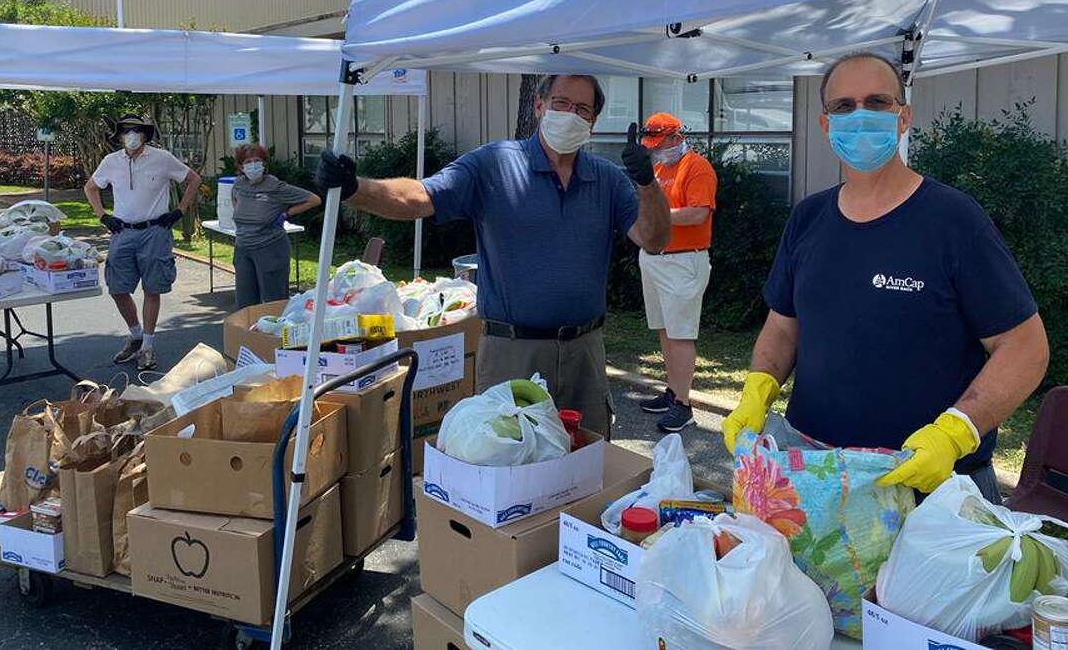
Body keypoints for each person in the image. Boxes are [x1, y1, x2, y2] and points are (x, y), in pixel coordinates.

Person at [721, 53, 1049, 503]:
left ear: (903, 116)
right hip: (816, 478)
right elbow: (782, 326)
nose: (860, 117)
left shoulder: (954, 220)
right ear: (824, 124)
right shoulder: (808, 218)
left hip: (931, 485)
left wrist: (955, 432)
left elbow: (1025, 348)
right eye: (843, 106)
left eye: (877, 102)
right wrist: (757, 392)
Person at [316, 73, 672, 436]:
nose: (570, 114)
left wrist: (647, 183)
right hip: (512, 352)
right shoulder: (496, 164)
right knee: (508, 464)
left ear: (593, 122)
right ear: (539, 106)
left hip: (585, 354)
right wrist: (355, 189)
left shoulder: (607, 179)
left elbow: (654, 238)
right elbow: (420, 197)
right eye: (561, 103)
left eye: (582, 108)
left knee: (590, 464)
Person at [84, 113, 201, 371]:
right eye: (125, 131)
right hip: (122, 230)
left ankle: (148, 345)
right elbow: (91, 187)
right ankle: (135, 334)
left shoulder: (162, 158)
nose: (131, 135)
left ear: (145, 134)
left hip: (155, 229)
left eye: (136, 130)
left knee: (152, 287)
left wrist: (180, 210)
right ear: (120, 136)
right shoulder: (111, 161)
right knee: (117, 286)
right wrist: (103, 216)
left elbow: (193, 179)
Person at [636, 112, 717, 434]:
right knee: (665, 331)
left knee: (681, 334)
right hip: (656, 258)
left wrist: (658, 216)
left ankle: (683, 405)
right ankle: (673, 392)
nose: (656, 149)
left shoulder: (697, 167)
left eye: (659, 142)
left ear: (675, 137)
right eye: (651, 144)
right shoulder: (657, 167)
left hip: (684, 261)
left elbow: (698, 214)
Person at [230, 143, 320, 309]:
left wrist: (286, 214)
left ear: (264, 164)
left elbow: (313, 199)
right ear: (241, 167)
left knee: (274, 302)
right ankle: (250, 334)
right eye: (248, 162)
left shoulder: (275, 186)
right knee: (245, 304)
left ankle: (276, 334)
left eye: (257, 161)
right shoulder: (239, 185)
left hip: (270, 248)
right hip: (243, 248)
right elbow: (235, 202)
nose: (253, 165)